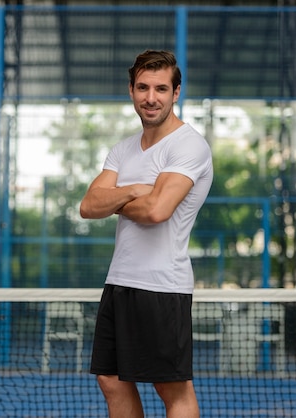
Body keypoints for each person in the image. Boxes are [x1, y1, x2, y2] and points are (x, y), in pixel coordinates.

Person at [80, 50, 213, 418]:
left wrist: (117, 199)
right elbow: (88, 206)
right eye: (142, 87)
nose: (150, 97)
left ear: (176, 92)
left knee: (171, 387)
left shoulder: (188, 145)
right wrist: (135, 189)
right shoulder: (123, 149)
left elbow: (157, 211)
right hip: (120, 280)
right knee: (110, 379)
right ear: (131, 90)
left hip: (162, 287)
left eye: (160, 88)